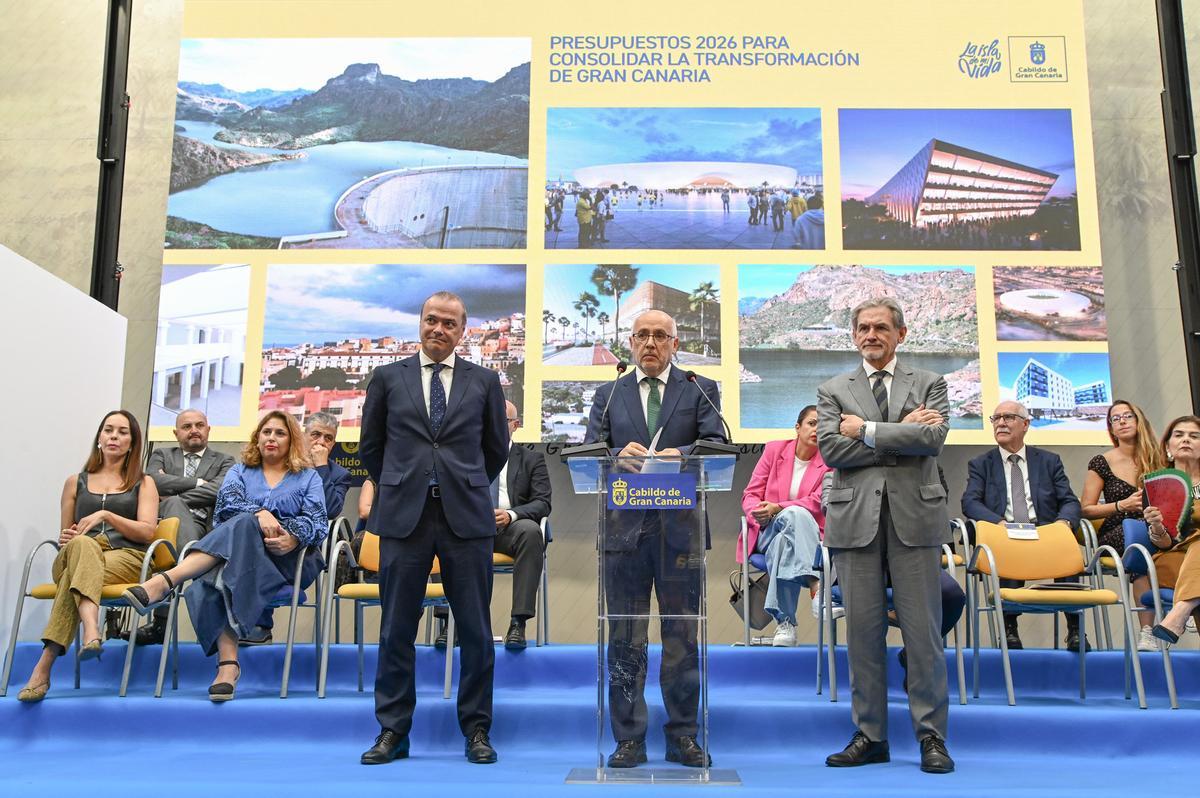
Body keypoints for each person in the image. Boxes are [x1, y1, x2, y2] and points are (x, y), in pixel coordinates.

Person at [357, 291, 508, 766]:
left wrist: (460, 480)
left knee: (476, 631)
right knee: (395, 630)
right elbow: (371, 448)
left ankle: (477, 730)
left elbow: (496, 449)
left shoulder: (485, 380)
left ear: (462, 331)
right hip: (404, 517)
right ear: (420, 323)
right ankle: (392, 732)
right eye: (431, 320)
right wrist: (404, 482)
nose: (438, 329)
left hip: (467, 517)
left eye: (449, 323)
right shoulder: (387, 377)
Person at [816, 297, 954, 774]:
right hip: (854, 522)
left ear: (901, 334)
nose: (871, 335)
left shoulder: (931, 383)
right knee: (862, 635)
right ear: (854, 335)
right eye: (863, 328)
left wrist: (867, 430)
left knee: (924, 636)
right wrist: (899, 433)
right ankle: (871, 736)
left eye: (880, 327)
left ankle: (931, 736)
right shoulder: (833, 389)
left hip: (916, 520)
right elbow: (832, 450)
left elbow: (931, 441)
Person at [584, 309, 727, 769]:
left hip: (679, 532)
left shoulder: (699, 388)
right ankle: (628, 738)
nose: (650, 343)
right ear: (630, 342)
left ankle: (683, 735)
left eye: (660, 335)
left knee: (681, 637)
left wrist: (680, 453)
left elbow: (717, 444)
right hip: (623, 532)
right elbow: (589, 449)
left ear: (674, 343)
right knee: (625, 638)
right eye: (642, 335)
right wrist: (614, 454)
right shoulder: (609, 393)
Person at [122, 411, 327, 702]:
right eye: (266, 432)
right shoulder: (240, 471)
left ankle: (168, 581)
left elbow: (318, 522)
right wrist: (260, 514)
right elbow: (225, 510)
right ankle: (227, 668)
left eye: (280, 433)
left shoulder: (308, 477)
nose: (271, 438)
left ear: (292, 439)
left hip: (287, 558)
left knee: (229, 546)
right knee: (219, 567)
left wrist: (292, 536)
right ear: (257, 438)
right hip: (243, 555)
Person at [17, 411, 160, 702]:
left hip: (126, 557)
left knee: (76, 573)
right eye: (108, 430)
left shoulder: (144, 483)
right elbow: (66, 535)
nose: (114, 436)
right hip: (76, 556)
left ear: (132, 443)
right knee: (82, 545)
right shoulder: (75, 482)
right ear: (99, 438)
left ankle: (44, 667)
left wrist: (107, 515)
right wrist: (67, 538)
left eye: (122, 432)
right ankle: (92, 628)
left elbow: (148, 532)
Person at [961, 401, 1083, 650]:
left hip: (1044, 532)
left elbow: (1069, 501)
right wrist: (999, 524)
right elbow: (970, 502)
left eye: (1008, 417)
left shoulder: (1049, 461)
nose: (1000, 423)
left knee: (1065, 543)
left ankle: (1075, 629)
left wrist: (1063, 523)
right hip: (1005, 533)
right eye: (996, 418)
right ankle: (1009, 629)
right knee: (1004, 547)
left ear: (1025, 424)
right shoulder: (981, 464)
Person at [239, 411, 350, 646]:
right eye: (315, 434)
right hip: (265, 539)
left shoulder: (340, 475)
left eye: (328, 438)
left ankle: (257, 624)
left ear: (334, 444)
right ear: (302, 435)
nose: (321, 442)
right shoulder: (280, 464)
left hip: (305, 548)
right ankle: (256, 624)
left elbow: (330, 510)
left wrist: (321, 467)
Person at [737, 405, 832, 646]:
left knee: (784, 541)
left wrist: (778, 507)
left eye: (823, 425)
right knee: (790, 520)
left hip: (805, 535)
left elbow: (818, 502)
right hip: (767, 529)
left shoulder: (830, 461)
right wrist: (759, 513)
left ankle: (785, 624)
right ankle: (816, 585)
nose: (817, 429)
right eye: (812, 423)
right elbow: (750, 494)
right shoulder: (774, 450)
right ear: (798, 427)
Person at [139, 409, 235, 645]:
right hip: (164, 528)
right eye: (187, 426)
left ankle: (161, 621)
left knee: (173, 502)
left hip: (206, 528)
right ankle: (191, 566)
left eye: (199, 425)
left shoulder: (225, 460)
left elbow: (220, 489)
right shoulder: (162, 454)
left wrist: (174, 495)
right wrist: (198, 482)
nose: (194, 430)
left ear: (208, 429)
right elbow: (152, 481)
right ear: (176, 433)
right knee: (173, 509)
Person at [1081, 400, 1163, 649]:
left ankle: (1185, 603)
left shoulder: (1160, 458)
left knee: (1175, 542)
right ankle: (1147, 631)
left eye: (1127, 416)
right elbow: (1086, 509)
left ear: (1139, 421)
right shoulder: (1101, 462)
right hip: (1117, 531)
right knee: (1139, 543)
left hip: (1157, 527)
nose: (1122, 421)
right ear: (1111, 428)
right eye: (1115, 419)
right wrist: (1122, 505)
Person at [493, 401, 551, 651]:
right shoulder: (466, 457)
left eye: (501, 419)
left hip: (511, 531)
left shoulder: (531, 459)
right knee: (442, 529)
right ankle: (450, 624)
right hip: (472, 529)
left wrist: (511, 514)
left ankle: (518, 623)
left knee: (530, 531)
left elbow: (542, 502)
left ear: (515, 425)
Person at [1146, 416, 1200, 645]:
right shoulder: (1157, 485)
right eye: (1179, 435)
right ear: (1168, 446)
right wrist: (1157, 526)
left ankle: (1181, 610)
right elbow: (1165, 543)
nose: (1186, 439)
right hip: (1174, 558)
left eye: (1194, 436)